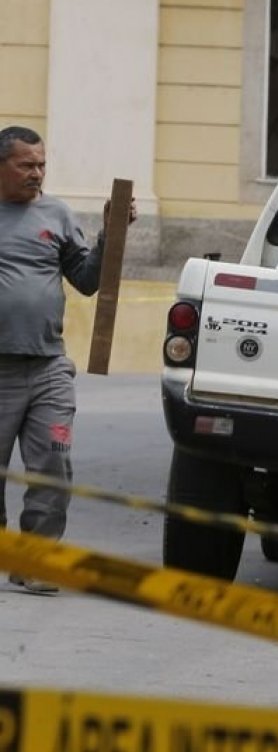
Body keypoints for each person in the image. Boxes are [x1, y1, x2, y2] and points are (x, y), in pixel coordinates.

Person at [0, 125, 137, 594]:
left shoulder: (56, 214)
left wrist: (110, 235)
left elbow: (86, 278)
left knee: (54, 465)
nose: (37, 174)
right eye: (26, 165)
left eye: (41, 164)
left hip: (48, 367)